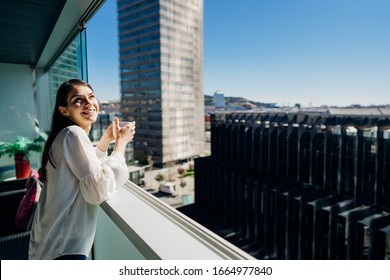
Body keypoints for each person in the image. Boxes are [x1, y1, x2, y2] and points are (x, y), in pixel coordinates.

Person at [28, 79, 135, 260]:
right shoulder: (73, 133)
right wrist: (121, 144)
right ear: (64, 110)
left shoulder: (64, 135)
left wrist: (104, 141)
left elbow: (83, 168)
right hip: (64, 249)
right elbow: (98, 189)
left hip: (52, 245)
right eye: (79, 100)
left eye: (91, 96)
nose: (89, 103)